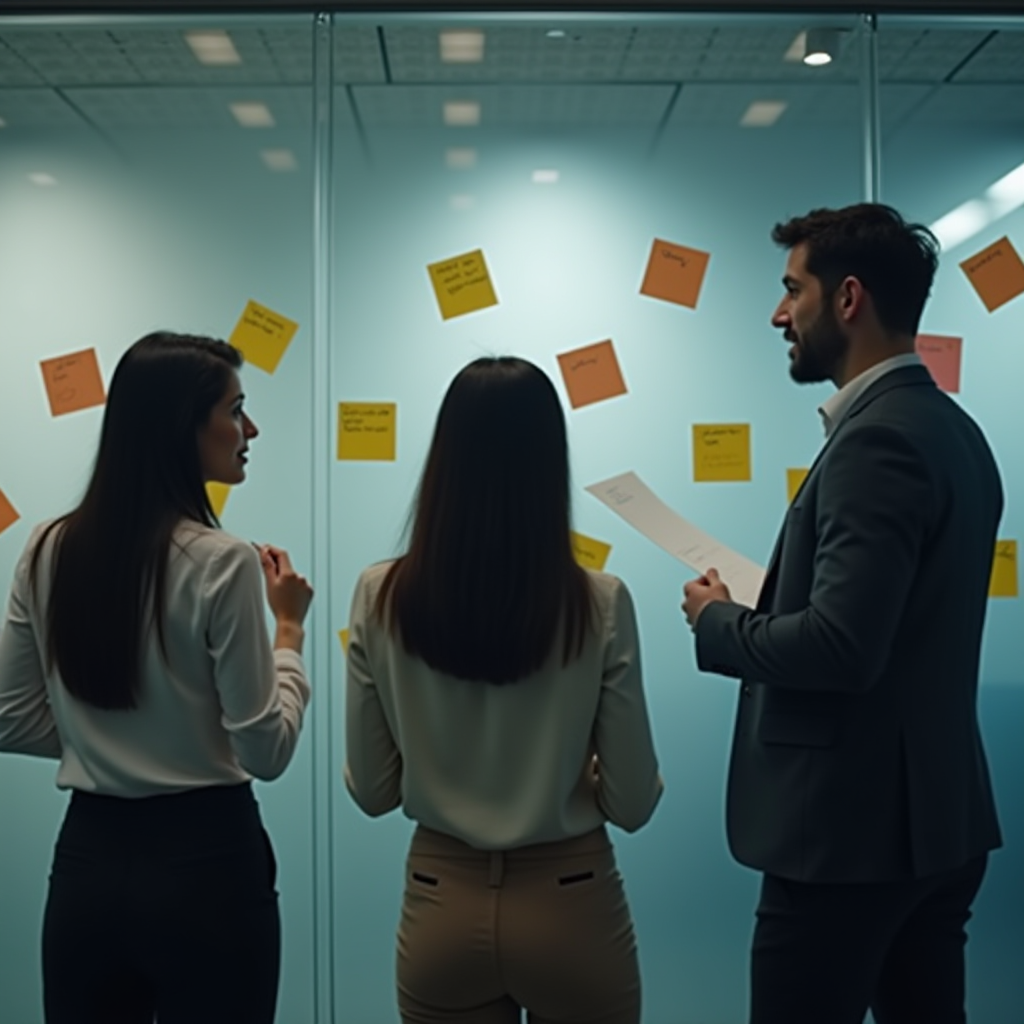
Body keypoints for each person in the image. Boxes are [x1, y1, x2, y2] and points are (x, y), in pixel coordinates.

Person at [681, 203, 1003, 1024]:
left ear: (848, 298)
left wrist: (721, 623)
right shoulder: (955, 432)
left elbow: (842, 647)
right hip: (934, 827)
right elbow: (890, 626)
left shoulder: (877, 441)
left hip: (847, 842)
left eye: (794, 290)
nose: (779, 313)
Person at [0, 331, 313, 1024]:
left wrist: (105, 740)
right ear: (184, 425)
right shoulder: (223, 562)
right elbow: (267, 751)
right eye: (236, 409)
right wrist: (288, 633)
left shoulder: (46, 546)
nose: (249, 428)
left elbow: (7, 717)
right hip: (209, 864)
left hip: (88, 862)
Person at [345, 356, 663, 1024]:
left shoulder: (379, 595)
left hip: (440, 899)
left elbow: (374, 792)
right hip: (571, 899)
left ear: (443, 460)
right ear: (550, 464)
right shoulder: (599, 601)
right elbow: (633, 803)